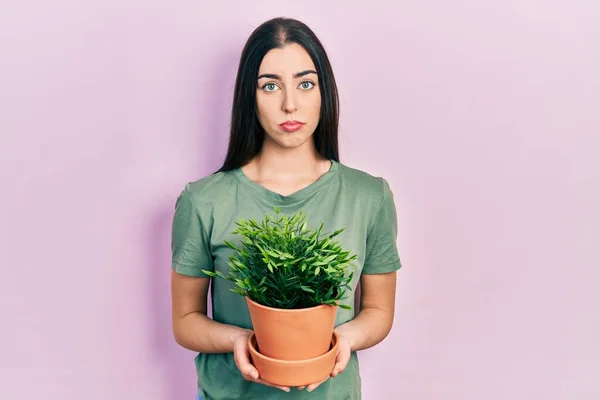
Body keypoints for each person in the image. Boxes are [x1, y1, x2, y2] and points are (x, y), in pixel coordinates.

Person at [170, 17, 402, 400]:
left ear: (323, 92)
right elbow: (184, 321)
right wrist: (240, 340)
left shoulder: (369, 196)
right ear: (250, 95)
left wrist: (342, 340)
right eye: (270, 86)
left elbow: (378, 309)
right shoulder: (203, 201)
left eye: (305, 83)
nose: (289, 103)